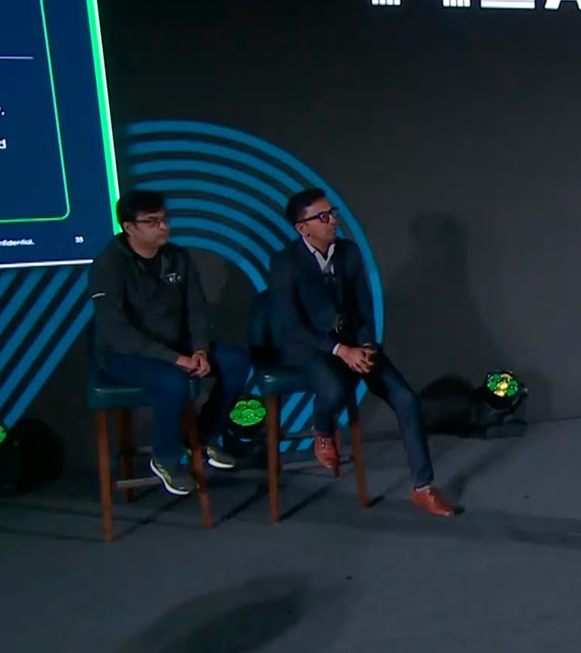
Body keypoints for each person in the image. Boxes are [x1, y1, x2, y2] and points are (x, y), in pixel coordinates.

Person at [269, 189, 457, 517]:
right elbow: (292, 326)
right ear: (303, 228)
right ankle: (322, 430)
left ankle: (423, 488)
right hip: (311, 347)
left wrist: (367, 345)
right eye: (323, 216)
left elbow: (364, 307)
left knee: (406, 399)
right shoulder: (285, 263)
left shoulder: (349, 252)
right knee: (334, 388)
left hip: (355, 343)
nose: (333, 221)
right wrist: (341, 350)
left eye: (333, 213)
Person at [89, 190, 251, 496]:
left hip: (178, 345)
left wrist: (200, 349)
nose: (163, 227)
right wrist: (175, 359)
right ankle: (165, 457)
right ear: (129, 227)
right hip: (124, 355)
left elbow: (197, 309)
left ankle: (200, 437)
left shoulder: (177, 257)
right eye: (152, 222)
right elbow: (120, 333)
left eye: (164, 219)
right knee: (173, 381)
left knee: (235, 362)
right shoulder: (108, 265)